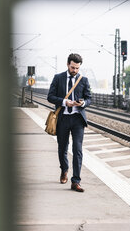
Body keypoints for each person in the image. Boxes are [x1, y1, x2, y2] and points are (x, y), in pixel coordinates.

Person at [47, 53, 91, 192]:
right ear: (67, 64)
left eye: (77, 68)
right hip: (63, 119)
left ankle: (76, 181)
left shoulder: (83, 80)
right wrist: (65, 102)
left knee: (77, 150)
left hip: (78, 119)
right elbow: (50, 97)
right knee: (62, 148)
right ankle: (64, 170)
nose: (75, 71)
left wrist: (83, 102)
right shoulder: (58, 78)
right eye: (73, 67)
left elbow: (89, 98)